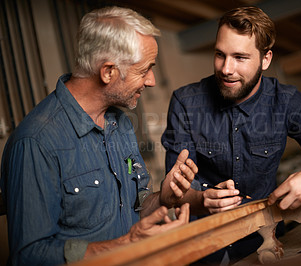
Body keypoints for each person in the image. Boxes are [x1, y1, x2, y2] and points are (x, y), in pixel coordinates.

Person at [161, 6, 301, 264]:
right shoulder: (186, 102)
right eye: (220, 55)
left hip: (264, 242)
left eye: (240, 57)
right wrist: (201, 199)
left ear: (265, 59)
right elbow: (172, 192)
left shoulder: (287, 102)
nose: (226, 69)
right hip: (203, 245)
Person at [0, 6, 198, 265]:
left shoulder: (120, 124)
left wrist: (163, 197)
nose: (151, 80)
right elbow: (28, 256)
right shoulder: (36, 143)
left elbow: (134, 209)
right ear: (108, 72)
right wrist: (127, 244)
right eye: (144, 70)